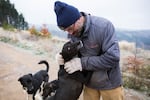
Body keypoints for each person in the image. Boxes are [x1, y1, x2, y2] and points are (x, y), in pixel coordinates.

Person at [54, 1, 124, 100]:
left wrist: (82, 63)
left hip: (110, 85)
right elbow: (75, 52)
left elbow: (113, 58)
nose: (69, 33)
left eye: (70, 29)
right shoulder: (74, 32)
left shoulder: (104, 27)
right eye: (66, 31)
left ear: (78, 19)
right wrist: (63, 56)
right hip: (89, 83)